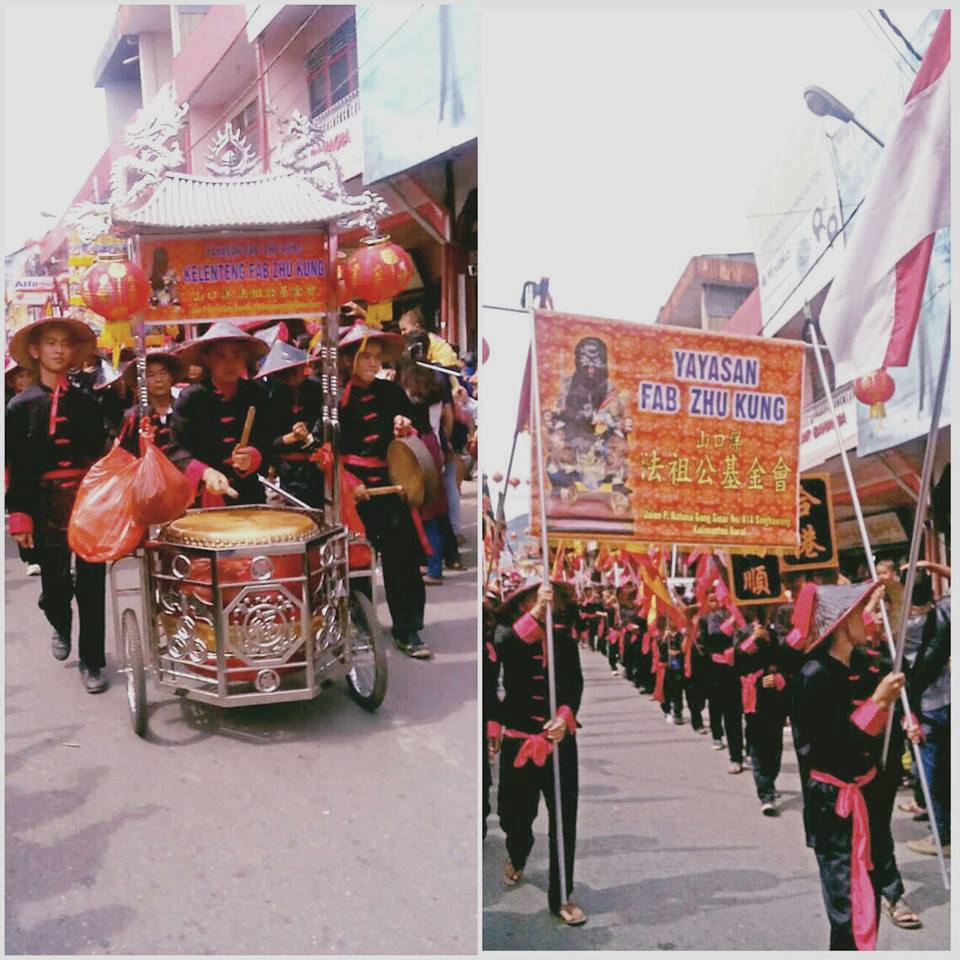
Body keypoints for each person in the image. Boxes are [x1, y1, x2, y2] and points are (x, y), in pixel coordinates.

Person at [792, 581, 922, 951]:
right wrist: (879, 702)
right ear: (841, 623)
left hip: (862, 792)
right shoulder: (814, 674)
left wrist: (894, 714)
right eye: (859, 612)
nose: (868, 618)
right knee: (848, 905)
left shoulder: (852, 665)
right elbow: (834, 747)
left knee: (865, 892)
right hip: (835, 802)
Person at [6, 316, 110, 692]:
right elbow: (15, 465)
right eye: (50, 343)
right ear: (35, 351)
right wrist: (19, 515)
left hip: (86, 502)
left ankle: (93, 662)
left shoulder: (87, 402)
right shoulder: (19, 407)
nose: (58, 350)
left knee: (92, 582)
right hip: (43, 503)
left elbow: (101, 456)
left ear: (73, 352)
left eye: (64, 344)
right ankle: (59, 621)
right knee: (55, 585)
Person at [488, 580, 586, 926]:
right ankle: (518, 850)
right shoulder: (504, 633)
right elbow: (508, 646)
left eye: (547, 597)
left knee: (564, 820)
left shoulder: (563, 639)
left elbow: (574, 684)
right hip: (519, 741)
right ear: (520, 604)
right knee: (514, 816)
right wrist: (535, 613)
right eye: (534, 596)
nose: (545, 600)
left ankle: (562, 895)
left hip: (558, 745)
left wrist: (564, 717)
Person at [337, 321, 429, 659]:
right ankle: (360, 626)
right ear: (349, 360)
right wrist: (348, 482)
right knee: (354, 559)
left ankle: (408, 628)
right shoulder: (333, 398)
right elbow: (320, 449)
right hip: (349, 488)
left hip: (389, 485)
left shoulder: (391, 393)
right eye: (366, 357)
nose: (374, 364)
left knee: (402, 557)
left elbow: (414, 428)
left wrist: (405, 427)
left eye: (377, 357)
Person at [171, 321, 272, 506]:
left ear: (245, 358)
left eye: (236, 355)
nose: (230, 363)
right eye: (221, 356)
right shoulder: (192, 398)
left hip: (249, 494)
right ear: (207, 359)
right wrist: (205, 472)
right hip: (203, 496)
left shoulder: (257, 394)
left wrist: (252, 456)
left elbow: (268, 438)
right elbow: (176, 449)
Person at [904, 571, 950, 861]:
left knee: (932, 776)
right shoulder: (946, 613)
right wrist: (935, 565)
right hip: (948, 700)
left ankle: (943, 836)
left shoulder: (902, 627)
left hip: (924, 708)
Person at [254, 340, 325, 507]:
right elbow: (264, 441)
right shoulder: (270, 397)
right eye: (284, 373)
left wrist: (308, 437)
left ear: (302, 368)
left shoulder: (317, 390)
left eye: (294, 370)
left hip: (316, 468)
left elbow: (323, 431)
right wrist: (290, 438)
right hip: (285, 472)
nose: (291, 377)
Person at [735, 618, 789, 815]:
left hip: (774, 700)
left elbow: (787, 661)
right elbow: (738, 658)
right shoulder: (742, 632)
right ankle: (765, 793)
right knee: (758, 747)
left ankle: (770, 780)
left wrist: (778, 678)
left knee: (775, 747)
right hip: (753, 697)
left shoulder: (776, 632)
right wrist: (753, 638)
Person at [700, 593, 745, 772]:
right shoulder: (711, 618)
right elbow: (712, 638)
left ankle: (747, 751)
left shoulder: (748, 612)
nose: (718, 601)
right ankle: (735, 755)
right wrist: (731, 622)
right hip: (721, 672)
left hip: (745, 670)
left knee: (746, 716)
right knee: (727, 713)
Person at [118, 349, 184, 459]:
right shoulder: (134, 416)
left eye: (163, 373)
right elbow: (124, 453)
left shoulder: (185, 409)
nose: (159, 380)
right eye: (150, 375)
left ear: (171, 376)